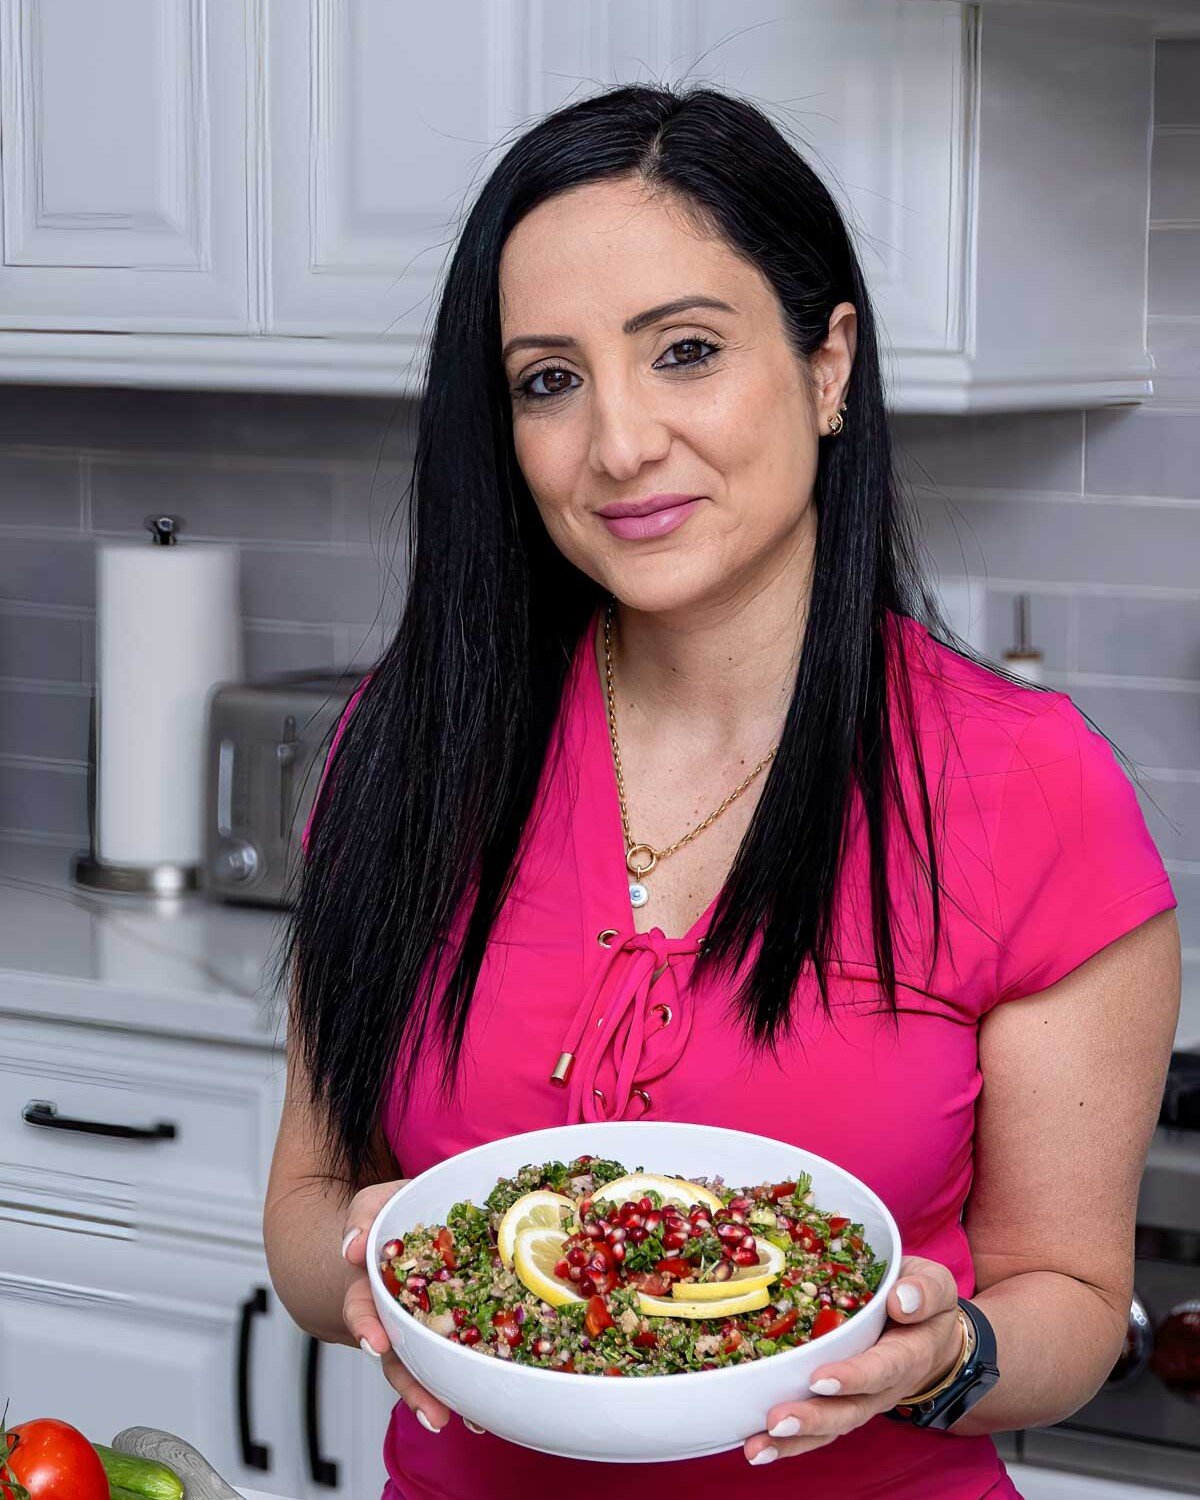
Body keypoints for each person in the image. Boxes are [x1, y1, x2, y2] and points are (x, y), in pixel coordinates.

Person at [262, 81, 1181, 1499]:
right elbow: (309, 1213)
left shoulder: (1025, 785)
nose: (619, 445)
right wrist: (374, 1267)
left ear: (828, 367)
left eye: (684, 352)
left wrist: (944, 1356)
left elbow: (1064, 1294)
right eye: (548, 380)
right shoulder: (410, 744)